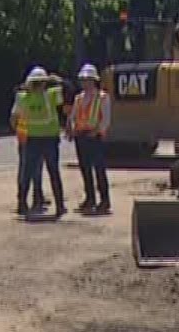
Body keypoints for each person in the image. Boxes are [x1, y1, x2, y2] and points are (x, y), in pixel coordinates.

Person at [12, 66, 66, 217]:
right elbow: (68, 88)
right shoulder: (32, 96)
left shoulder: (47, 95)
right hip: (37, 139)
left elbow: (14, 118)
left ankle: (57, 204)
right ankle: (25, 203)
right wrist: (57, 79)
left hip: (44, 138)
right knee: (33, 172)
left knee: (39, 172)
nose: (38, 86)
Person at [68, 63, 112, 213]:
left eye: (87, 79)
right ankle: (90, 199)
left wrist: (98, 130)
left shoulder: (103, 97)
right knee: (85, 170)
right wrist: (72, 129)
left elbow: (106, 118)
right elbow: (74, 116)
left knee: (99, 169)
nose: (85, 82)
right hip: (81, 137)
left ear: (94, 80)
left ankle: (104, 201)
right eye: (83, 80)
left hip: (95, 137)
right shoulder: (79, 98)